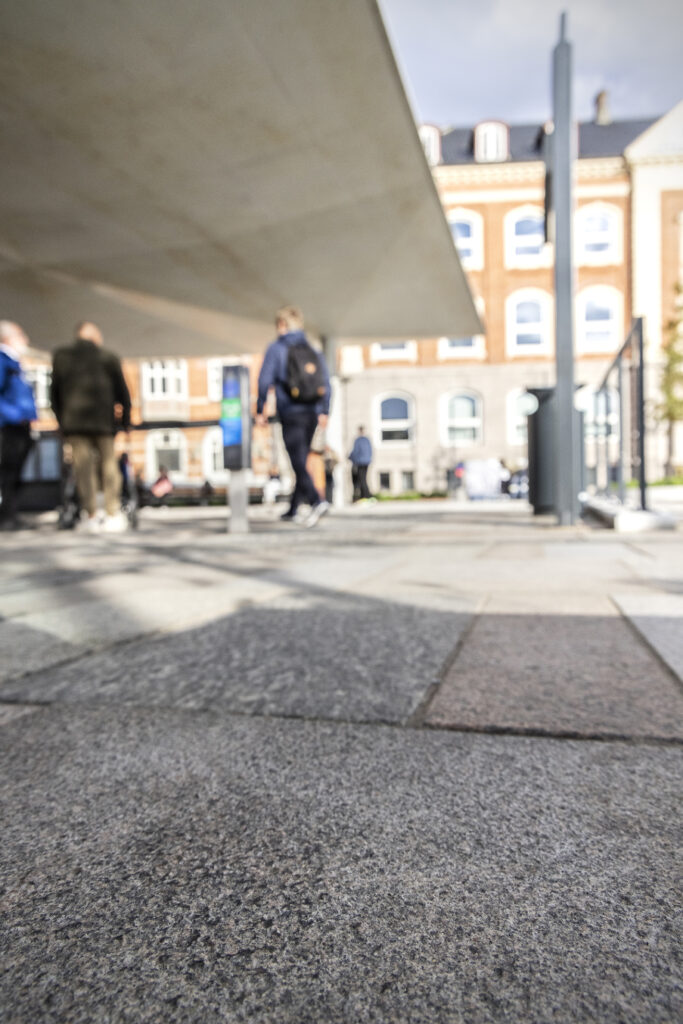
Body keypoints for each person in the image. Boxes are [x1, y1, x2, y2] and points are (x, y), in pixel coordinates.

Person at [50, 321, 131, 533]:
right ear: (96, 337)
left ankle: (91, 514)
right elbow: (123, 392)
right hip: (103, 422)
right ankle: (112, 513)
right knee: (109, 466)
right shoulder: (107, 357)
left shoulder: (61, 357)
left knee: (83, 468)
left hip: (74, 423)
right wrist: (126, 421)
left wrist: (61, 422)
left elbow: (54, 394)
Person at [255, 306, 331, 527]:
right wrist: (325, 410)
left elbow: (263, 380)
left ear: (282, 325)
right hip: (311, 412)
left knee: (297, 461)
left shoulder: (277, 348)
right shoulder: (313, 349)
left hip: (290, 410)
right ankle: (293, 508)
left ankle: (317, 500)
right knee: (302, 458)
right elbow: (325, 383)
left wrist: (260, 408)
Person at [0, 321, 37, 530]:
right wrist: (15, 415)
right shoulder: (2, 360)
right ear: (8, 338)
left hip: (19, 425)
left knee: (15, 472)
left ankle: (11, 515)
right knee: (9, 472)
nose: (25, 340)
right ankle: (6, 517)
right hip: (9, 426)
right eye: (21, 335)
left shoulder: (14, 362)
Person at [349, 425, 372, 501]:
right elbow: (370, 451)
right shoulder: (367, 440)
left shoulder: (358, 440)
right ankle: (365, 496)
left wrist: (350, 457)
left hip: (360, 462)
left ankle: (365, 496)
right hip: (366, 462)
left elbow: (355, 451)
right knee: (364, 479)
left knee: (361, 480)